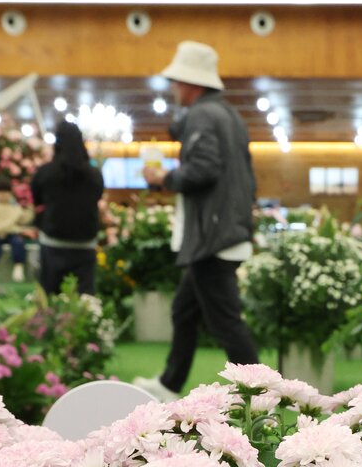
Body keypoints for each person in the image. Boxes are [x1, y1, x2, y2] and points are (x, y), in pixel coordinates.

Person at [134, 41, 260, 401]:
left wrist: (164, 180)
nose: (174, 88)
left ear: (193, 83)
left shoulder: (204, 116)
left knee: (226, 323)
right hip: (223, 232)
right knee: (184, 310)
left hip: (211, 237)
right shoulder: (227, 115)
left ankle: (260, 394)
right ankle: (170, 383)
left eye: (177, 80)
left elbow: (203, 168)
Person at [30, 120, 103, 295]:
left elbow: (37, 200)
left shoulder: (45, 173)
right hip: (85, 245)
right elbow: (97, 197)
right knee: (85, 301)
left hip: (53, 243)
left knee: (50, 301)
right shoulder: (94, 175)